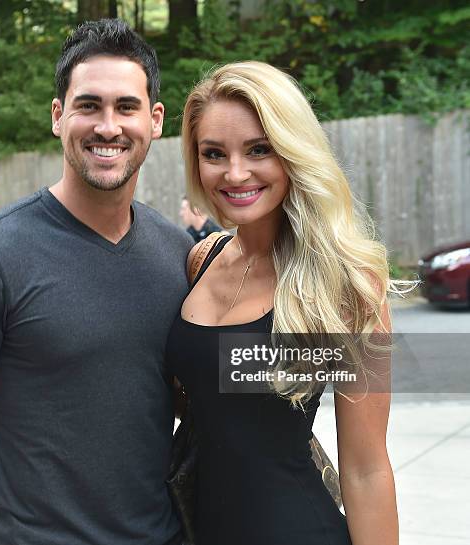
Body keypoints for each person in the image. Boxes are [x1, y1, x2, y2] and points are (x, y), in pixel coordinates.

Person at [0, 19, 193, 545]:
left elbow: (205, 400)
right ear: (58, 116)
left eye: (126, 107)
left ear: (155, 120)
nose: (108, 126)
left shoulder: (181, 257)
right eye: (89, 105)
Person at [166, 61, 400, 544]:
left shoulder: (347, 287)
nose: (235, 172)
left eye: (259, 149)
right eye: (214, 153)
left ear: (293, 152)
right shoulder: (200, 261)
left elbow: (366, 468)